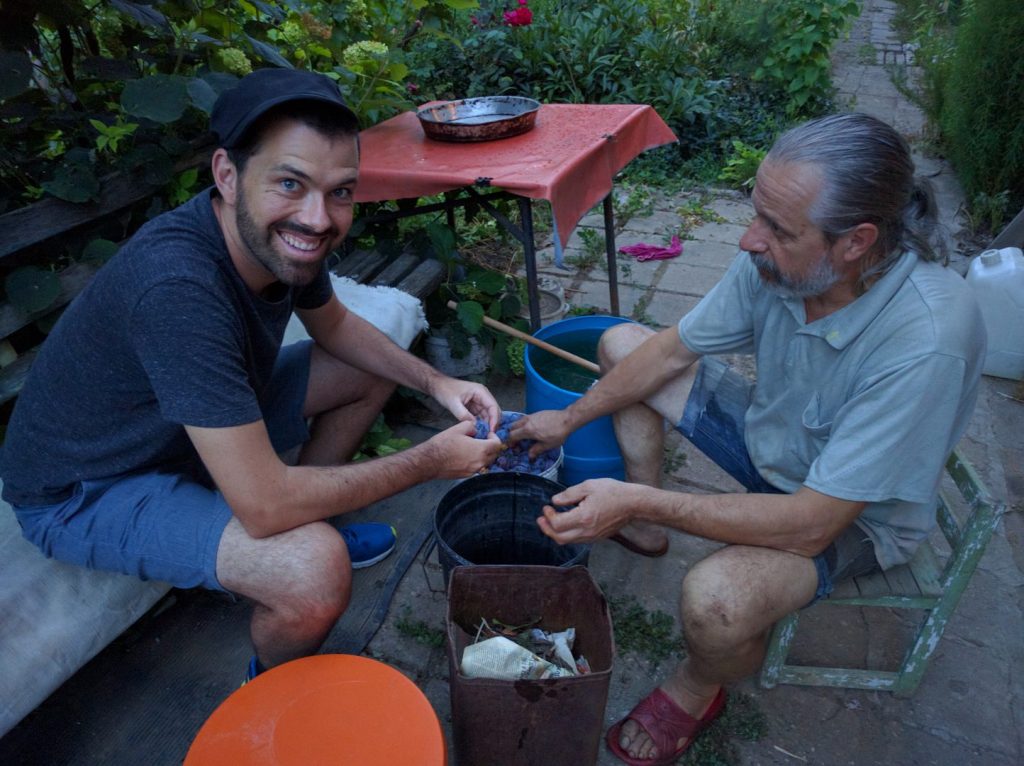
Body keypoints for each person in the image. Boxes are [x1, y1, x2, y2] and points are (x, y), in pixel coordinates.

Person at [510, 113, 985, 765]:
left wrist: (634, 499)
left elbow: (812, 525)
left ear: (856, 242)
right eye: (755, 213)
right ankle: (643, 523)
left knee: (715, 602)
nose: (746, 240)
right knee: (623, 343)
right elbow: (673, 348)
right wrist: (565, 421)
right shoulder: (781, 259)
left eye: (778, 230)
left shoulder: (926, 341)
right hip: (777, 445)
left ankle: (700, 686)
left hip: (851, 515)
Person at [0, 68, 503, 681]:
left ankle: (309, 514)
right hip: (86, 486)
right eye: (290, 183)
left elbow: (336, 328)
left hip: (177, 425)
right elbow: (263, 507)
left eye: (340, 191)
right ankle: (267, 687)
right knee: (314, 574)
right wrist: (428, 461)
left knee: (368, 370)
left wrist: (436, 383)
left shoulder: (285, 236)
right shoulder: (178, 286)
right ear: (227, 176)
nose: (318, 219)